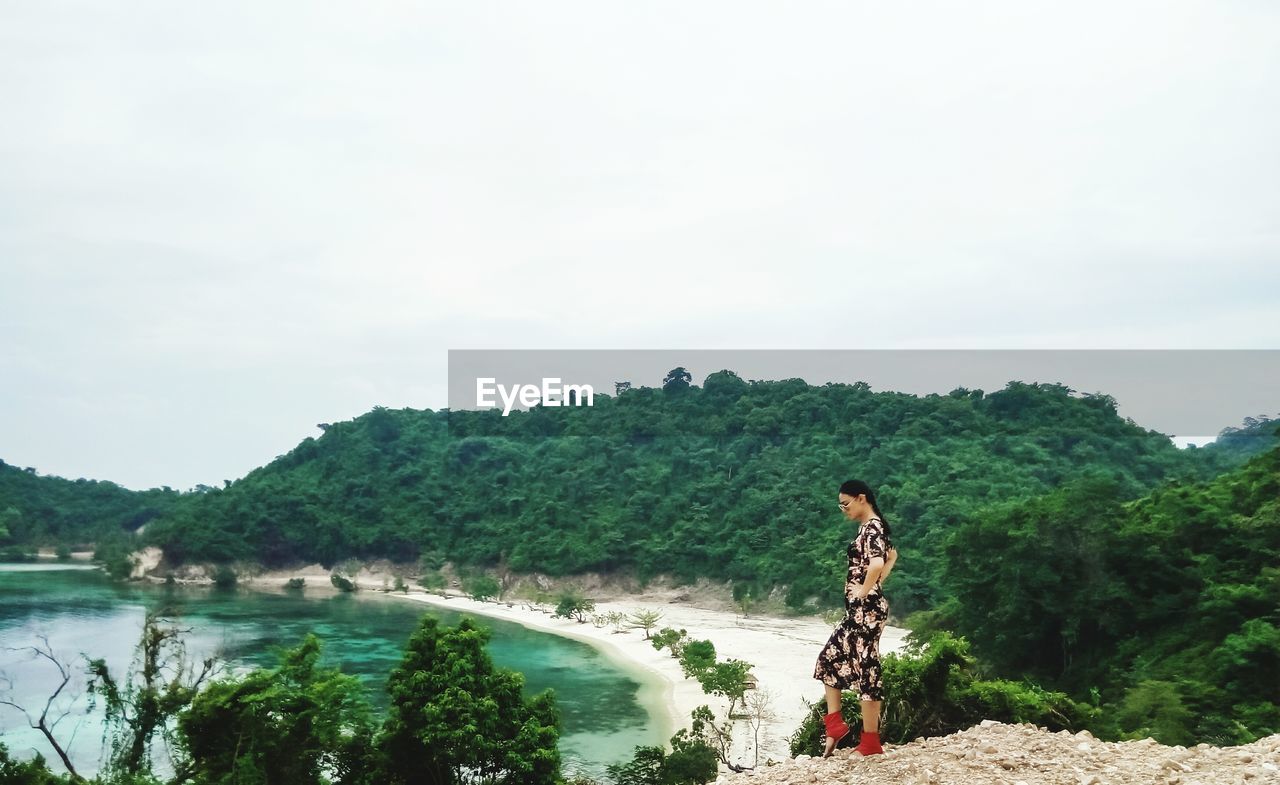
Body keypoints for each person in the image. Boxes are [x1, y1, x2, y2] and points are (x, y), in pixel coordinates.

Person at [812, 479, 898, 757]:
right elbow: (883, 565)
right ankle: (835, 726)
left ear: (861, 498)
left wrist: (862, 591)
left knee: (866, 670)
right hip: (862, 609)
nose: (843, 509)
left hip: (866, 610)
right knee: (829, 659)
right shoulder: (871, 529)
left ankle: (870, 743)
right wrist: (885, 568)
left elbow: (874, 565)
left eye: (846, 504)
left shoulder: (872, 528)